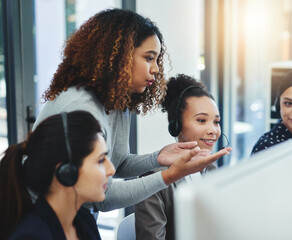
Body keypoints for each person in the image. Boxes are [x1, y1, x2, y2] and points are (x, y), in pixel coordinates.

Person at [33, 8, 231, 213]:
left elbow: (115, 164)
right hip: (43, 220)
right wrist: (170, 175)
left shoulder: (117, 102)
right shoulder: (81, 108)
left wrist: (157, 158)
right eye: (148, 58)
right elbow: (102, 197)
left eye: (156, 60)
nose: (155, 69)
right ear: (119, 57)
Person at [135, 74, 225, 240]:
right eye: (201, 120)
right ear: (177, 126)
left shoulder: (210, 169)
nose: (213, 130)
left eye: (216, 122)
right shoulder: (153, 180)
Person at [0, 111, 115, 240]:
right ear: (66, 172)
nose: (111, 170)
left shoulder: (85, 220)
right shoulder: (31, 236)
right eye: (100, 160)